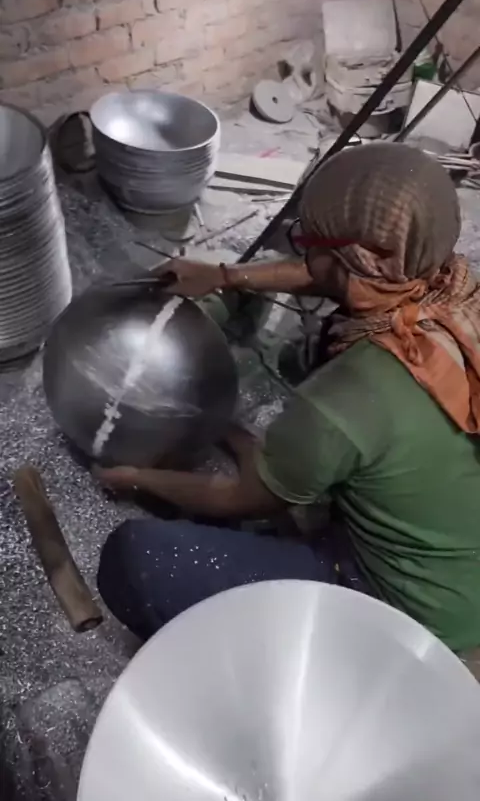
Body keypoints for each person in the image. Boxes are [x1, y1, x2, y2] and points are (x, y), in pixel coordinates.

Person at [96, 142, 480, 654]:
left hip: (418, 621)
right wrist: (225, 276)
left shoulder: (349, 391)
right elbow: (336, 273)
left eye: (308, 243)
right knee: (315, 375)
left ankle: (338, 653)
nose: (303, 254)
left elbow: (242, 499)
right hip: (464, 568)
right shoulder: (451, 286)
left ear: (345, 260)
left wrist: (136, 478)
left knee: (137, 559)